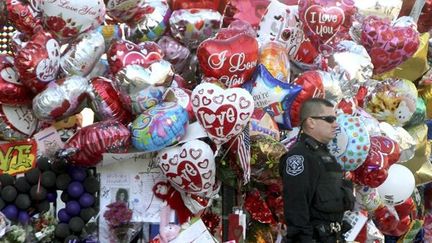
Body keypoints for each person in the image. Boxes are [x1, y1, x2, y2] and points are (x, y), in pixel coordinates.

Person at [279, 98, 355, 243]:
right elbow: (296, 208)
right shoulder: (300, 156)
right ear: (311, 122)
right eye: (329, 119)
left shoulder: (324, 155)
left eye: (335, 119)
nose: (335, 125)